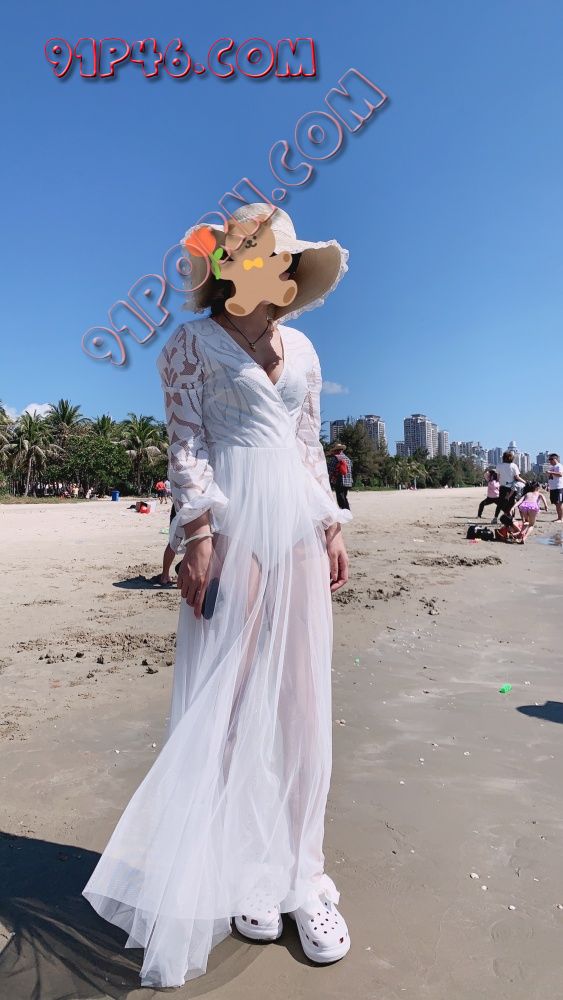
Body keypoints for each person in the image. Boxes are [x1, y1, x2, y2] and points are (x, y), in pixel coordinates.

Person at [83, 203, 352, 988]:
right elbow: (186, 442)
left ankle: (302, 875)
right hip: (231, 523)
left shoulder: (302, 348)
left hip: (295, 525)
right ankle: (242, 870)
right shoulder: (188, 344)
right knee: (228, 704)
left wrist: (330, 525)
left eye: (281, 255)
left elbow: (307, 443)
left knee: (301, 701)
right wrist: (196, 534)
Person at [495, 451, 525, 522]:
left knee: (500, 503)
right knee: (511, 503)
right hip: (512, 487)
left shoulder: (499, 465)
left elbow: (498, 478)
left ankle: (495, 518)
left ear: (503, 458)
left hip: (502, 487)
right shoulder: (514, 465)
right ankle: (511, 518)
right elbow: (517, 477)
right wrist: (525, 482)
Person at [326, 442, 353, 510]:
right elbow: (349, 471)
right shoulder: (348, 459)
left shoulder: (335, 458)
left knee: (340, 498)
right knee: (344, 497)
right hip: (348, 482)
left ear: (336, 450)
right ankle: (347, 510)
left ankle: (345, 512)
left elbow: (330, 470)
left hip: (339, 481)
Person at [547, 452, 563, 522]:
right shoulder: (552, 467)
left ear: (555, 459)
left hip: (559, 487)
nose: (549, 461)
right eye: (549, 459)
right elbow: (551, 477)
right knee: (556, 503)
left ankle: (560, 519)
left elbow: (560, 474)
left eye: (551, 459)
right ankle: (559, 517)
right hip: (553, 488)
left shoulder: (559, 466)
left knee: (559, 503)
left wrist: (550, 472)